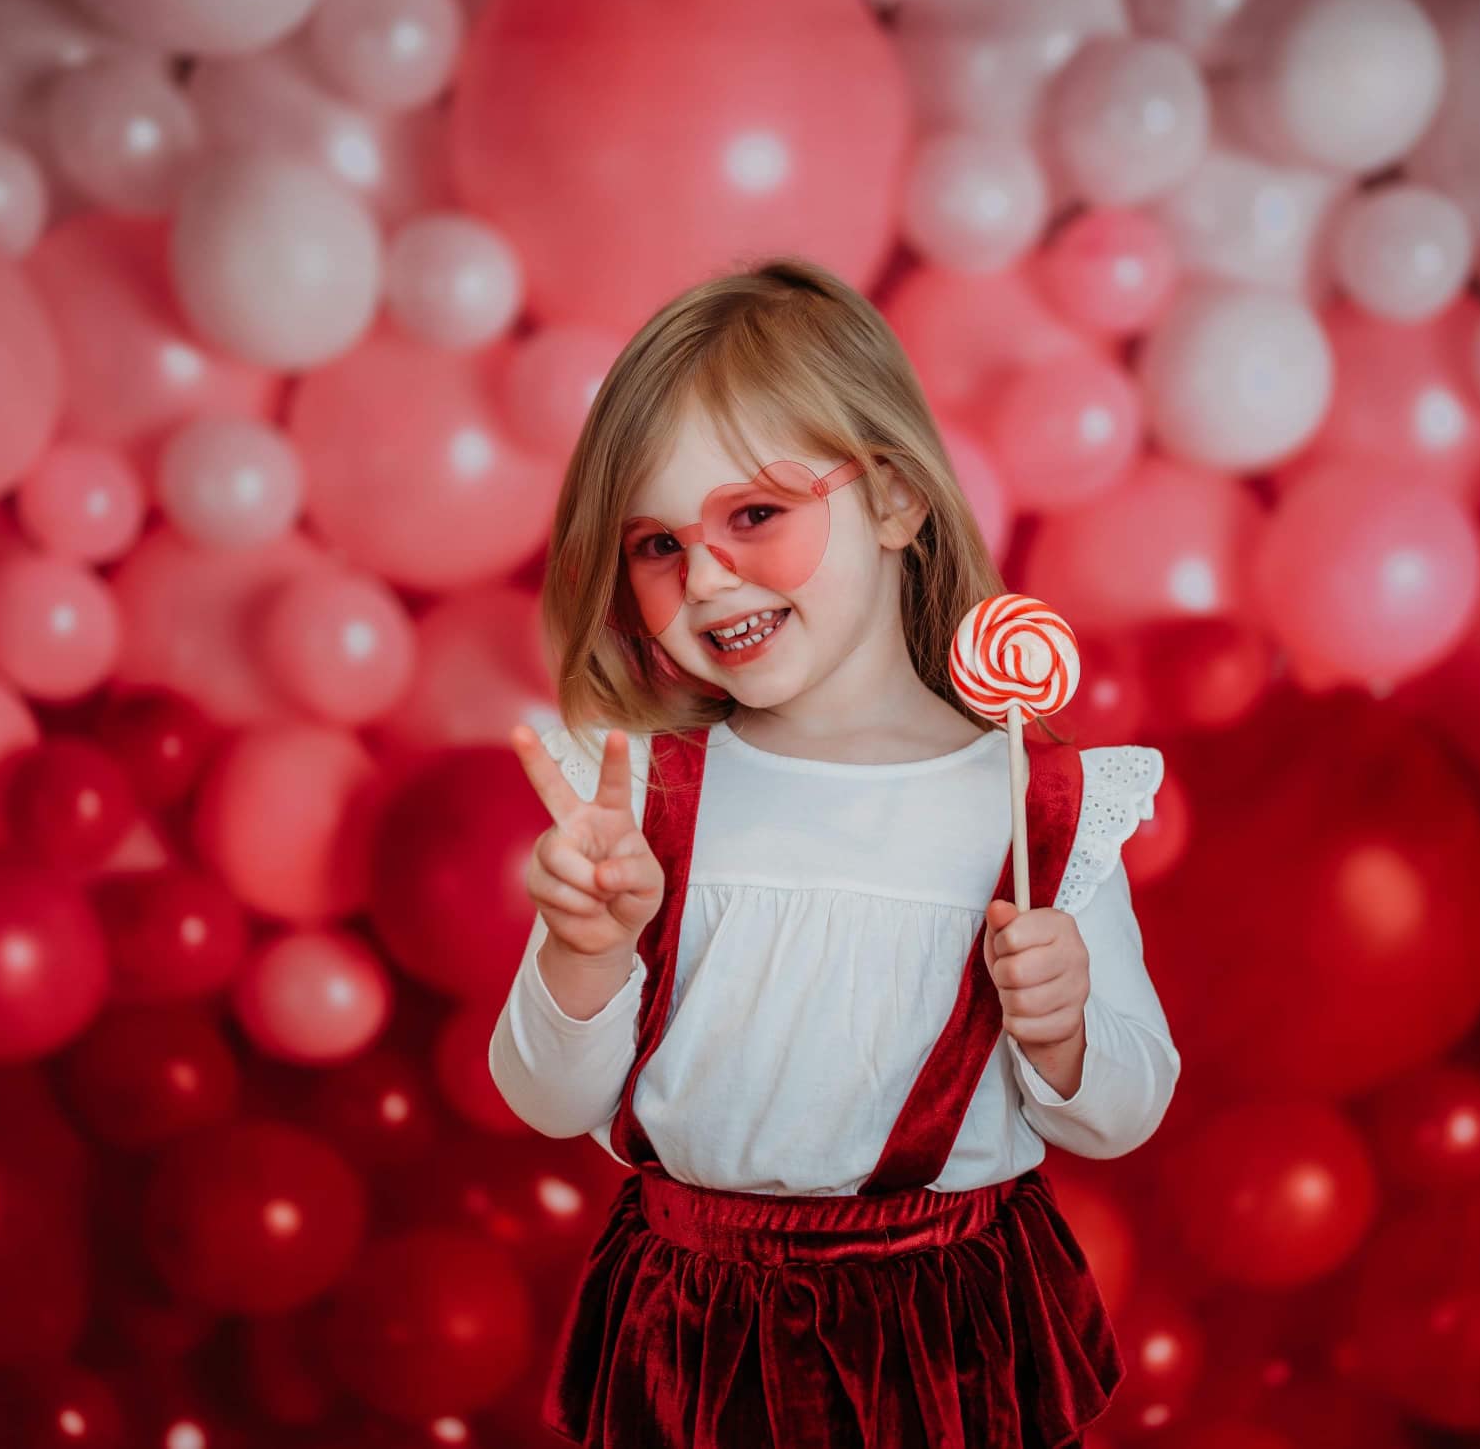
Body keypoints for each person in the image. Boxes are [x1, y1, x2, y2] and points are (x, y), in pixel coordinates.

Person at [488, 255, 1181, 1448]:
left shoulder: (1034, 810)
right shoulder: (644, 802)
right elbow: (544, 1097)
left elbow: (1125, 1110)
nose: (704, 577)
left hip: (944, 1329)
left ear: (896, 503)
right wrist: (584, 951)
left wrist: (1063, 1031)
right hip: (692, 1324)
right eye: (656, 543)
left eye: (753, 514)